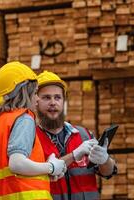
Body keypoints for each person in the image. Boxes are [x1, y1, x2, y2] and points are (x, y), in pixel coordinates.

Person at [0, 62, 66, 200]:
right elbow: (17, 163)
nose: (37, 98)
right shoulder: (24, 118)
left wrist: (43, 172)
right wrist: (51, 167)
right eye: (35, 93)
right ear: (25, 92)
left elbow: (10, 172)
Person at [35, 70, 118, 200]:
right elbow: (37, 174)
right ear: (36, 102)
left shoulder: (84, 135)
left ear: (63, 102)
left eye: (57, 97)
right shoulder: (32, 139)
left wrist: (104, 159)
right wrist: (74, 155)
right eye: (46, 97)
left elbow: (108, 172)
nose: (53, 102)